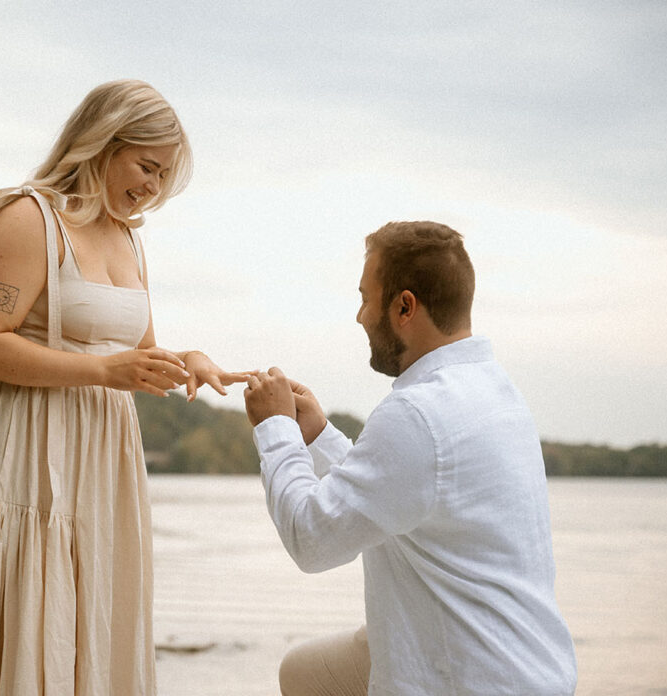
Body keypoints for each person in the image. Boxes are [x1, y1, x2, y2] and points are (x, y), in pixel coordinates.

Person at [0, 79, 248, 695]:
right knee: (15, 608)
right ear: (103, 142)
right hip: (22, 454)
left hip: (100, 461)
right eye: (147, 167)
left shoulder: (128, 239)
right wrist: (101, 372)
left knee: (85, 612)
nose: (152, 187)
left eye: (164, 177)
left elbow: (137, 355)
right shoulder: (26, 220)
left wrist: (187, 359)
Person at [243, 221, 577, 695]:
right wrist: (315, 435)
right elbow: (398, 490)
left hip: (467, 679)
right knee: (303, 672)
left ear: (404, 306)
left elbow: (311, 539)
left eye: (365, 297)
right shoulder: (494, 391)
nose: (359, 315)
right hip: (531, 669)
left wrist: (274, 429)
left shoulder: (416, 413)